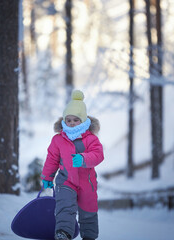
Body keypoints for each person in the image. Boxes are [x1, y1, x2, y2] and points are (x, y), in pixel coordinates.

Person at [41, 90, 104, 240]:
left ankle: (89, 236)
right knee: (65, 207)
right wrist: (47, 176)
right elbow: (52, 159)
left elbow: (98, 155)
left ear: (83, 120)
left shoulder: (91, 139)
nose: (71, 123)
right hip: (66, 180)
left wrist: (84, 158)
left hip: (87, 183)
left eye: (76, 120)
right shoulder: (58, 139)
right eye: (68, 120)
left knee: (88, 211)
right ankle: (63, 233)